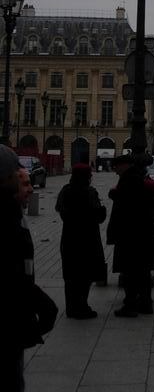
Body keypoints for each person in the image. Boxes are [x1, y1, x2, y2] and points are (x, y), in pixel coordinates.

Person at [1, 145, 57, 392]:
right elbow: (12, 277)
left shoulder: (13, 216)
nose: (31, 188)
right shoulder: (7, 222)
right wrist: (41, 304)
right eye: (22, 181)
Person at [106, 154, 154, 317]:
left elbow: (128, 203)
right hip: (142, 232)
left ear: (124, 165)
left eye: (116, 167)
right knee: (142, 270)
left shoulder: (129, 179)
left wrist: (114, 194)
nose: (115, 171)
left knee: (130, 270)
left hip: (131, 234)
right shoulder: (137, 177)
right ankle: (145, 303)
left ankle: (130, 305)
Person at [55, 163, 106, 319]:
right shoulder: (90, 192)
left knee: (70, 275)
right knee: (85, 274)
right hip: (88, 239)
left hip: (69, 238)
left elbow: (60, 210)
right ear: (87, 177)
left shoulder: (65, 190)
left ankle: (71, 307)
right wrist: (103, 210)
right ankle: (82, 306)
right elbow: (99, 216)